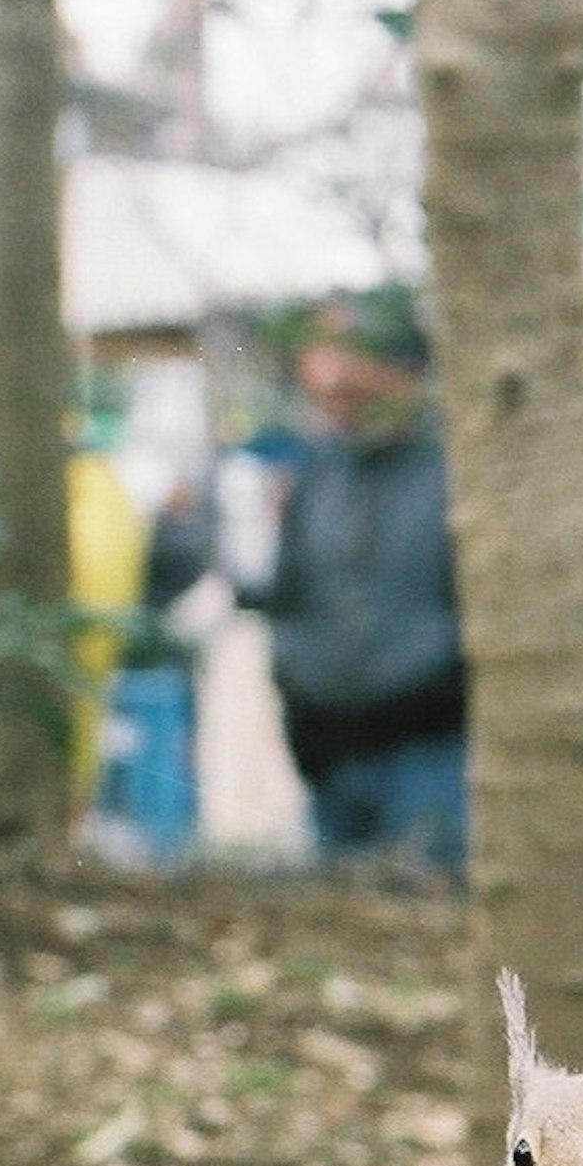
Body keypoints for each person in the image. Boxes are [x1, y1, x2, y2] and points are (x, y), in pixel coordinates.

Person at [246, 289, 468, 872]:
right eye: (319, 362)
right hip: (332, 754)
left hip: (430, 753)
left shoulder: (452, 471)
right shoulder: (318, 471)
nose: (327, 381)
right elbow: (288, 596)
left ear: (403, 369)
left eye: (348, 362)